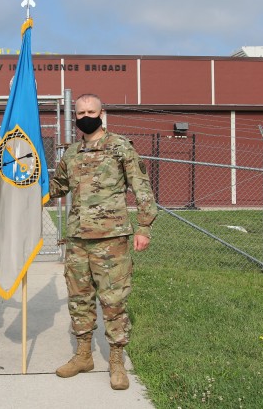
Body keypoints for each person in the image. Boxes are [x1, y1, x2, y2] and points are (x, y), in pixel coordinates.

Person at [49, 93, 158, 390]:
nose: (86, 116)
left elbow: (141, 187)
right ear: (75, 116)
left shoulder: (121, 147)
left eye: (91, 111)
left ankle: (116, 361)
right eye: (80, 112)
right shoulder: (71, 153)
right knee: (79, 299)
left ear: (102, 113)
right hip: (77, 239)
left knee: (113, 302)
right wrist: (28, 189)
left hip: (112, 240)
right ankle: (84, 355)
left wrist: (144, 227)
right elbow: (58, 186)